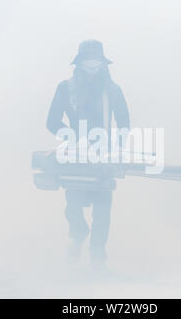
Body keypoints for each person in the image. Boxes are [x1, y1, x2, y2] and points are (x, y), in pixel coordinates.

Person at [46, 40, 130, 269]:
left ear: (104, 64)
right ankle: (78, 234)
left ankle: (97, 257)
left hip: (104, 159)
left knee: (102, 211)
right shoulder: (65, 88)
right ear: (79, 63)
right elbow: (52, 122)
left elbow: (124, 124)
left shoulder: (113, 90)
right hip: (75, 159)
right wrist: (73, 138)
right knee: (73, 207)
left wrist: (117, 151)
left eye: (96, 63)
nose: (92, 68)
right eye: (87, 62)